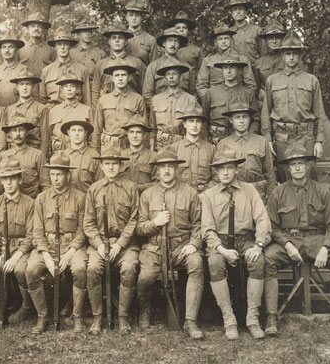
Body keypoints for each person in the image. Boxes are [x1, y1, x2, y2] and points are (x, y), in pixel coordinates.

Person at [263, 143, 330, 334]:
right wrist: (287, 244)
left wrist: (326, 248)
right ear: (287, 168)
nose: (297, 168)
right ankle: (271, 316)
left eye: (301, 163)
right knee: (268, 259)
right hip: (289, 244)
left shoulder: (322, 191)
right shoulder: (278, 193)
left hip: (317, 242)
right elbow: (272, 226)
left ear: (308, 166)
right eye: (293, 164)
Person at [202, 148, 272, 340]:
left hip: (246, 240)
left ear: (236, 170)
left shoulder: (250, 191)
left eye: (229, 168)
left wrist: (258, 245)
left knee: (257, 262)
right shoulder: (208, 195)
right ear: (216, 171)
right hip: (220, 243)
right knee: (215, 264)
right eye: (221, 168)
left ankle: (252, 318)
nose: (225, 172)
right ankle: (229, 319)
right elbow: (207, 229)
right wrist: (223, 250)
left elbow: (263, 220)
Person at [136, 148, 204, 339]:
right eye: (162, 167)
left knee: (196, 264)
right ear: (157, 170)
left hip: (181, 247)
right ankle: (145, 311)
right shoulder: (147, 195)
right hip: (154, 248)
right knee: (146, 276)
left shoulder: (190, 193)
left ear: (177, 169)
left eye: (170, 166)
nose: (166, 171)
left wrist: (194, 243)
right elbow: (139, 228)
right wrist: (154, 223)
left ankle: (191, 320)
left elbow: (198, 223)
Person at [25, 151, 88, 334]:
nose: (55, 178)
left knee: (79, 269)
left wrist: (69, 254)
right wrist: (46, 255)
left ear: (68, 175)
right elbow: (37, 231)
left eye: (59, 174)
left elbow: (82, 231)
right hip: (47, 247)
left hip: (72, 247)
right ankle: (42, 316)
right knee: (31, 270)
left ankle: (76, 316)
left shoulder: (79, 198)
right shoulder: (42, 198)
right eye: (52, 174)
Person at [83, 145, 140, 334]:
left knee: (129, 268)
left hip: (125, 244)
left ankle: (123, 317)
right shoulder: (94, 189)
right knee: (92, 269)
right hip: (100, 244)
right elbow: (88, 223)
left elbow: (134, 220)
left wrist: (119, 244)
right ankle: (98, 317)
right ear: (101, 166)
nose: (111, 167)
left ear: (121, 166)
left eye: (114, 163)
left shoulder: (131, 188)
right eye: (107, 164)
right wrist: (99, 245)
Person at [260, 30, 327, 182]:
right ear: (282, 55)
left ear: (300, 55)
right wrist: (268, 139)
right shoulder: (272, 80)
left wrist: (319, 140)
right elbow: (266, 112)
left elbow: (319, 113)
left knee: (309, 178)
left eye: (295, 53)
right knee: (285, 178)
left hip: (306, 137)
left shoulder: (311, 80)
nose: (291, 57)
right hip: (282, 138)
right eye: (288, 53)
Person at [0, 156, 35, 327]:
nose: (9, 182)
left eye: (12, 178)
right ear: (1, 181)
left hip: (21, 249)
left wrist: (16, 256)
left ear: (19, 179)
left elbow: (32, 235)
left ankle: (26, 307)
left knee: (20, 271)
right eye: (5, 179)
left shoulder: (30, 203)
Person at [216, 102, 276, 203]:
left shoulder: (261, 141)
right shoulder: (223, 144)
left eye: (244, 117)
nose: (241, 121)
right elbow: (217, 175)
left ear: (249, 120)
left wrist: (270, 200)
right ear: (231, 120)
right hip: (231, 195)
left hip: (257, 194)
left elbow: (270, 173)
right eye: (237, 117)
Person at [203, 54, 260, 145]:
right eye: (225, 67)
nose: (228, 71)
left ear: (238, 70)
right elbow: (204, 120)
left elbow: (255, 120)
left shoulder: (248, 93)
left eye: (232, 67)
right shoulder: (211, 92)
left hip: (242, 141)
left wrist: (250, 138)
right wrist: (206, 141)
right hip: (216, 141)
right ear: (221, 70)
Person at [92, 59, 147, 153]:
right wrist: (94, 150)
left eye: (123, 75)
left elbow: (144, 129)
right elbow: (97, 128)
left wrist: (143, 151)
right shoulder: (103, 100)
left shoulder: (138, 99)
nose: (120, 78)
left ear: (129, 77)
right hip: (108, 146)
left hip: (130, 146)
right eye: (117, 75)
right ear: (112, 78)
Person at [0, 115, 50, 199]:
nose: (18, 134)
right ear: (9, 134)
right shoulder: (4, 155)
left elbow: (46, 185)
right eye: (14, 131)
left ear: (27, 133)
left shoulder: (37, 155)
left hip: (31, 202)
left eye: (21, 130)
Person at [0, 67, 48, 157]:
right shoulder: (9, 110)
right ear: (17, 87)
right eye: (21, 84)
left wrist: (43, 157)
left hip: (34, 153)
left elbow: (45, 138)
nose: (25, 87)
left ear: (33, 87)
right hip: (12, 153)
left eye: (28, 84)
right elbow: (4, 137)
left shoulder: (41, 109)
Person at [91, 23, 146, 113]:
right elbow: (95, 91)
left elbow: (144, 89)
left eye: (120, 37)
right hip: (109, 111)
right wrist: (96, 113)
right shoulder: (101, 64)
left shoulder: (136, 63)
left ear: (126, 42)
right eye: (114, 38)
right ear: (109, 42)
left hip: (131, 110)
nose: (117, 40)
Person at [196, 23, 257, 101]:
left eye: (226, 38)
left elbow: (251, 86)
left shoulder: (242, 60)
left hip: (238, 101)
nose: (223, 41)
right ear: (215, 42)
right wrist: (211, 101)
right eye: (220, 39)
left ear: (231, 40)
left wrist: (243, 101)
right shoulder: (208, 61)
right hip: (216, 101)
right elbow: (201, 86)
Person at [150, 63, 201, 151]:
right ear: (165, 78)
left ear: (180, 77)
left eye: (174, 74)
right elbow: (152, 128)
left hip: (183, 145)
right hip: (161, 145)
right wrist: (151, 148)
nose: (171, 77)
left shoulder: (190, 100)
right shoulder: (156, 100)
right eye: (168, 74)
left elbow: (198, 127)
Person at [169, 108, 218, 196]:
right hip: (180, 196)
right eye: (191, 121)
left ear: (201, 124)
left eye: (198, 121)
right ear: (184, 124)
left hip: (204, 196)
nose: (195, 125)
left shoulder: (211, 149)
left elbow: (217, 176)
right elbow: (168, 176)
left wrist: (206, 193)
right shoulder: (173, 149)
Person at [142, 27, 192, 112]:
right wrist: (160, 110)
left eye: (176, 41)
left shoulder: (187, 67)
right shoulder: (153, 66)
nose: (173, 44)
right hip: (160, 113)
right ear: (164, 43)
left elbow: (193, 93)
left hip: (183, 112)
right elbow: (147, 95)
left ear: (179, 44)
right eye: (170, 40)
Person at [40, 27, 91, 108]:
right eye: (59, 44)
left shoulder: (82, 70)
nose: (62, 47)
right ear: (55, 47)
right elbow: (42, 100)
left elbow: (86, 101)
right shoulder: (46, 71)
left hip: (75, 113)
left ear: (70, 46)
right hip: (53, 113)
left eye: (65, 44)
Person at [46, 71, 93, 158]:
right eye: (66, 86)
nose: (69, 89)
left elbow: (91, 137)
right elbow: (48, 135)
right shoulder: (53, 111)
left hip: (80, 154)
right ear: (61, 90)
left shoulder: (86, 110)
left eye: (72, 86)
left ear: (78, 89)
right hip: (58, 154)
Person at [60, 119, 103, 194]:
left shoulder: (94, 155)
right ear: (68, 132)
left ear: (85, 133)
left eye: (80, 130)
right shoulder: (62, 155)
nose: (77, 134)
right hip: (67, 201)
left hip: (87, 200)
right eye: (73, 130)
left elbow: (99, 183)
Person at [254, 19, 288, 110]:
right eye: (270, 38)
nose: (274, 41)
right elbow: (256, 89)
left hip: (285, 103)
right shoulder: (259, 63)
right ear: (266, 41)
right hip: (265, 104)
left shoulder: (289, 60)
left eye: (277, 38)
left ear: (282, 40)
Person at [167, 10, 204, 92]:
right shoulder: (166, 50)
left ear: (189, 31)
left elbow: (202, 74)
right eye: (178, 28)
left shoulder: (196, 51)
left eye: (184, 28)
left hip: (189, 88)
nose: (181, 30)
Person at [120, 115, 158, 194]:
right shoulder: (120, 156)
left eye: (138, 132)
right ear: (127, 134)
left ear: (144, 135)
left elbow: (158, 184)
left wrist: (137, 188)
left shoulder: (154, 157)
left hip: (146, 199)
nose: (134, 136)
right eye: (131, 132)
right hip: (123, 200)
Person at [0, 31, 28, 108]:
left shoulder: (24, 70)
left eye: (11, 47)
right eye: (4, 47)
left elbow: (30, 97)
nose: (7, 50)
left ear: (16, 50)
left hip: (18, 114)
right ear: (1, 50)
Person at [226, 0, 266, 65]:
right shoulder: (228, 32)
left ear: (246, 12)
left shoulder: (257, 30)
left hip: (254, 70)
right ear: (231, 13)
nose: (238, 12)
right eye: (235, 9)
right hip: (234, 71)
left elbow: (264, 55)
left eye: (241, 9)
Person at [69, 18, 107, 88]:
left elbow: (104, 78)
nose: (88, 33)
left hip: (94, 89)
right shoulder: (71, 53)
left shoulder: (100, 54)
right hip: (75, 89)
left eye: (90, 31)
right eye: (84, 31)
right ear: (78, 34)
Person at [122, 0, 160, 66]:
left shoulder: (150, 40)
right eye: (131, 15)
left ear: (142, 17)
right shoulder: (120, 38)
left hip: (144, 76)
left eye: (137, 15)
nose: (134, 18)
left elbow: (154, 67)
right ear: (126, 17)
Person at [17, 12, 55, 78]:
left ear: (43, 30)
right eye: (33, 26)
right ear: (28, 29)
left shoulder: (51, 50)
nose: (36, 29)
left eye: (40, 26)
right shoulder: (20, 50)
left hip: (45, 86)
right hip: (26, 86)